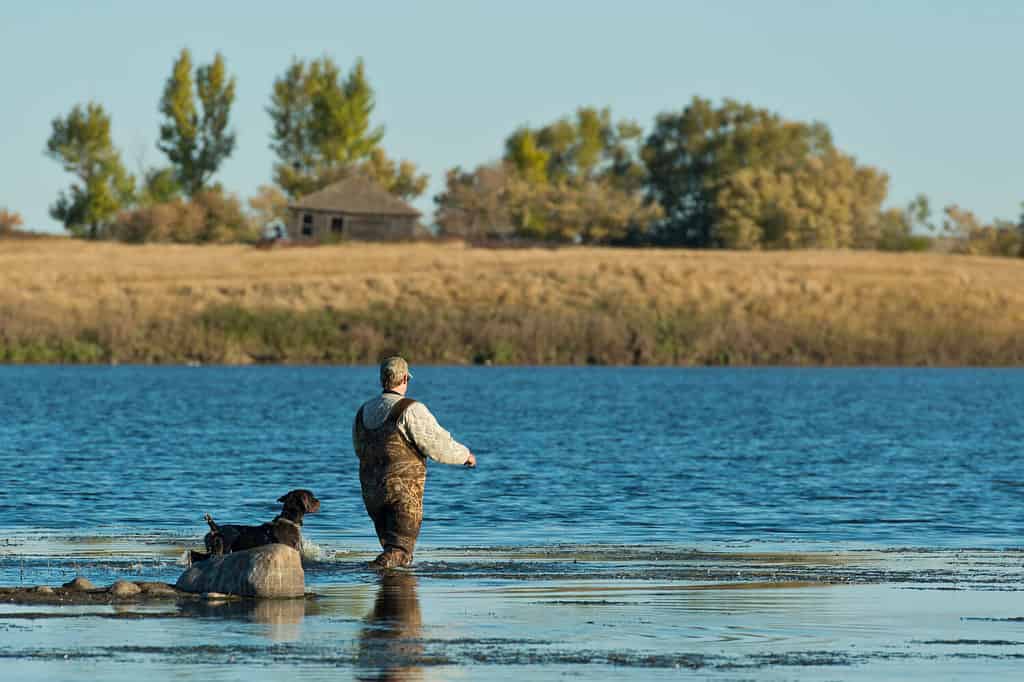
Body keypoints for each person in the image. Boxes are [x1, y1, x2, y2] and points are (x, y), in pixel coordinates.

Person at [353, 356, 476, 568]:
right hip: (402, 496)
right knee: (400, 553)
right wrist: (465, 455)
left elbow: (359, 450)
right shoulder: (410, 409)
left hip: (372, 494)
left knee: (393, 553)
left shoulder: (363, 411)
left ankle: (385, 584)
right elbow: (437, 444)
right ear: (404, 379)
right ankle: (369, 571)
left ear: (382, 379)